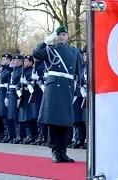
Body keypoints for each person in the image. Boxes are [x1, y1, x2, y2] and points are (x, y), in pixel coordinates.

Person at [32, 26, 82, 163]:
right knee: (53, 121)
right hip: (53, 87)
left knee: (66, 122)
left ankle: (63, 151)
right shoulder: (50, 50)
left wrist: (77, 91)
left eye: (64, 34)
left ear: (67, 36)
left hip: (67, 86)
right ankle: (55, 151)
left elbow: (78, 73)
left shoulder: (75, 51)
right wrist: (46, 41)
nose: (61, 37)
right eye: (59, 35)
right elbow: (35, 54)